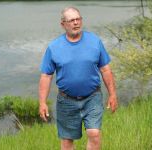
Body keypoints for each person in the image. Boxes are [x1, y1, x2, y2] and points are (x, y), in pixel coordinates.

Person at [39, 7, 118, 150]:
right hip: (66, 101)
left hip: (92, 97)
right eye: (71, 20)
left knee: (94, 133)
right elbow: (46, 76)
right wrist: (42, 102)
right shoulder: (54, 47)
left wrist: (112, 94)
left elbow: (105, 69)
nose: (76, 23)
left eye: (78, 19)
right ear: (63, 24)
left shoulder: (95, 41)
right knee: (67, 142)